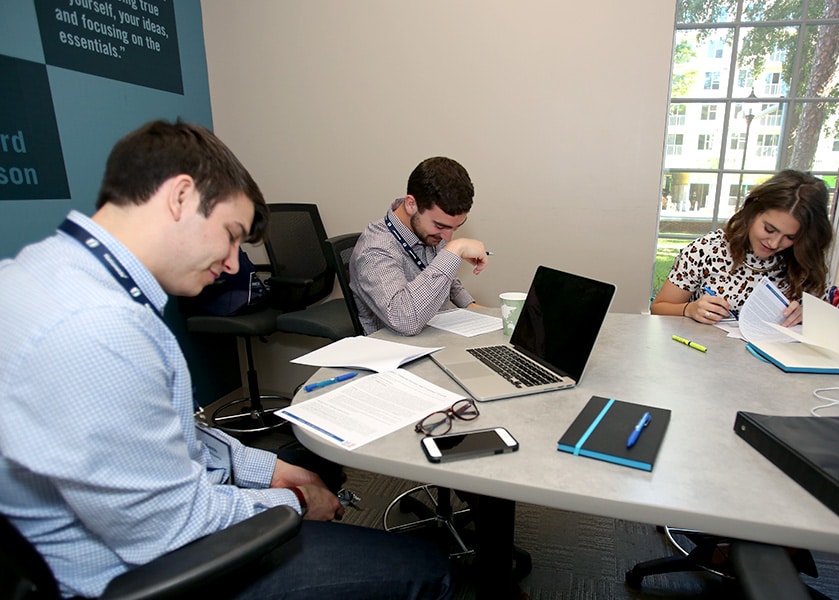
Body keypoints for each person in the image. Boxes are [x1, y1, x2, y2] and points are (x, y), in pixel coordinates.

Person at [0, 120, 452, 599]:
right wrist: (292, 500)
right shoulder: (97, 330)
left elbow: (174, 436)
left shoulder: (41, 275)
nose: (235, 264)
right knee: (426, 569)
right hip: (145, 573)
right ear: (180, 197)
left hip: (146, 527)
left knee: (307, 462)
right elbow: (174, 528)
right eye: (231, 235)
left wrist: (265, 470)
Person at [651, 169, 833, 327]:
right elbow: (658, 308)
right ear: (752, 212)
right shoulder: (708, 249)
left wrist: (806, 316)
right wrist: (689, 309)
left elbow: (827, 324)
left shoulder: (804, 260)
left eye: (790, 237)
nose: (774, 243)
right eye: (769, 229)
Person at [350, 156, 489, 335]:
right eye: (440, 226)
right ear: (411, 204)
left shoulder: (425, 232)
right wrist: (453, 250)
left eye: (456, 227)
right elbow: (404, 320)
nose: (447, 236)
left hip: (435, 333)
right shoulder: (375, 249)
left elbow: (441, 278)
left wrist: (471, 306)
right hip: (399, 349)